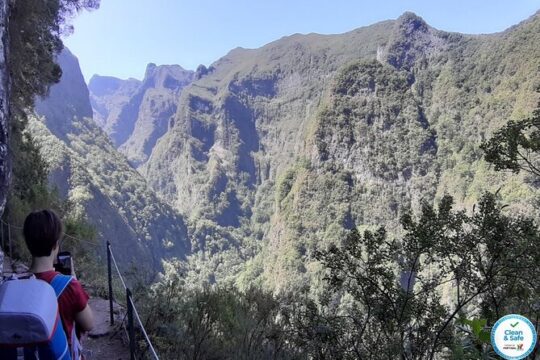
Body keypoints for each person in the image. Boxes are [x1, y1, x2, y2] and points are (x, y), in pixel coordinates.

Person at [23, 209, 94, 355]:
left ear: (28, 244)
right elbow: (89, 324)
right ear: (56, 245)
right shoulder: (69, 286)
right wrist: (74, 281)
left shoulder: (16, 285)